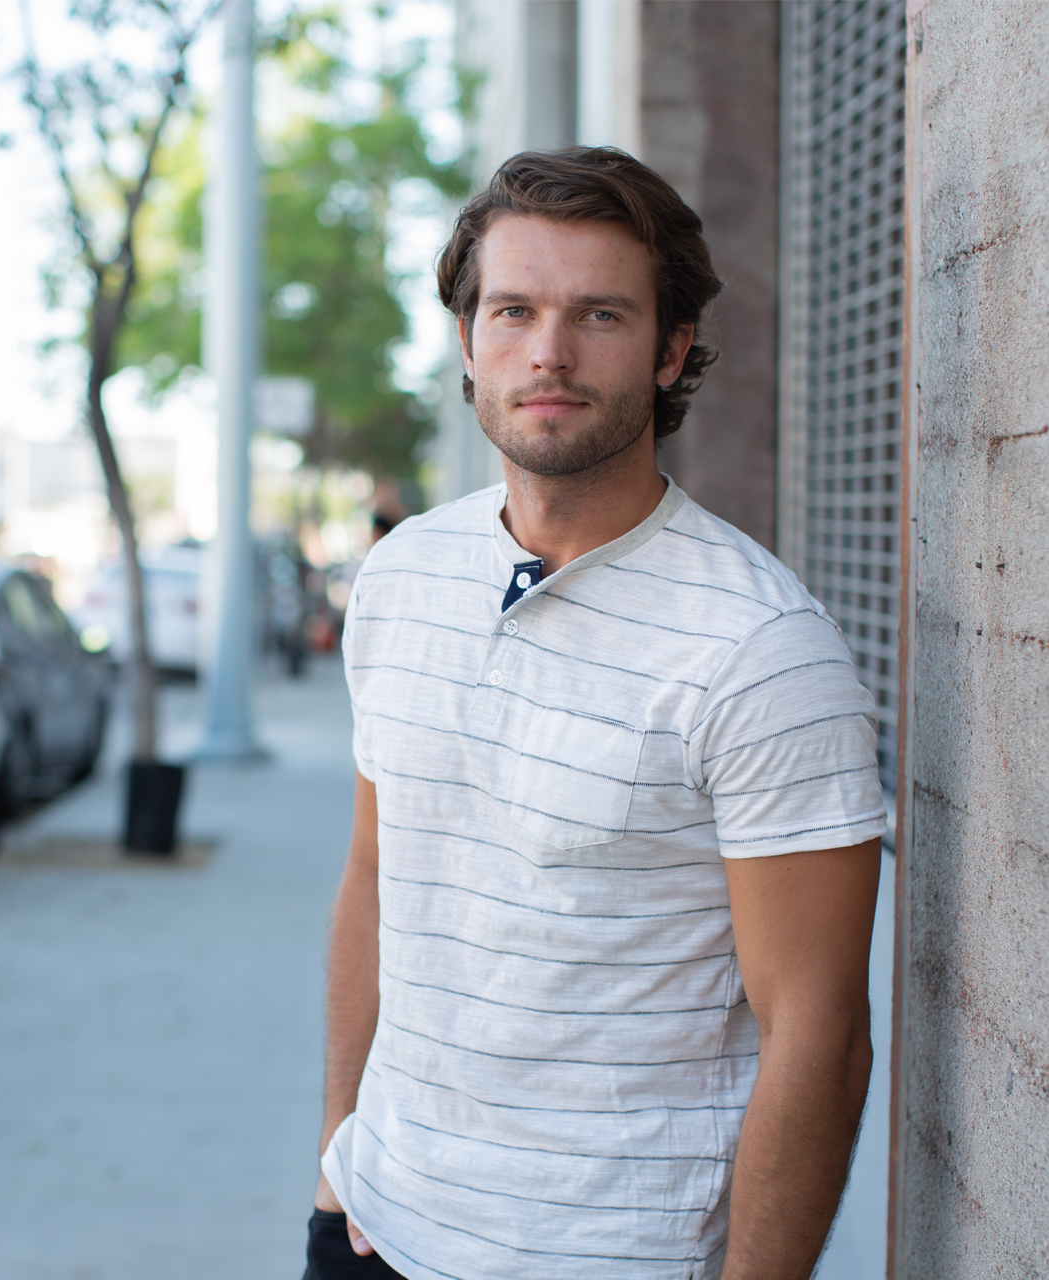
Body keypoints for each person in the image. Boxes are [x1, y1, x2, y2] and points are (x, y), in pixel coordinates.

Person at [304, 147, 885, 1280]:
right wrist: (337, 1159)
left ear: (669, 349)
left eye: (598, 314)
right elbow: (377, 877)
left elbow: (820, 1033)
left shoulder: (758, 648)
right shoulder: (400, 576)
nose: (547, 352)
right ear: (469, 339)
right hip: (376, 1227)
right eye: (511, 309)